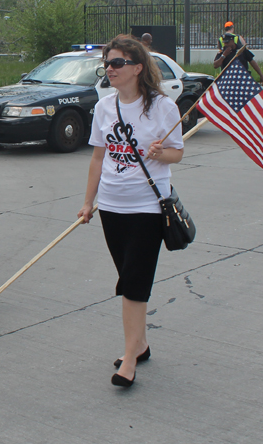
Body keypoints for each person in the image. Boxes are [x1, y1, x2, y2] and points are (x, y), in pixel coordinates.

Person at [77, 34, 184, 388]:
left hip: (147, 207)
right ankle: (141, 344)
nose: (110, 69)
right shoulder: (105, 106)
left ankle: (129, 360)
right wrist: (88, 202)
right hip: (111, 205)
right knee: (128, 276)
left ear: (138, 67)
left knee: (133, 284)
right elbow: (97, 157)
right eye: (107, 63)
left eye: (117, 63)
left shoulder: (162, 107)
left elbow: (176, 153)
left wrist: (159, 153)